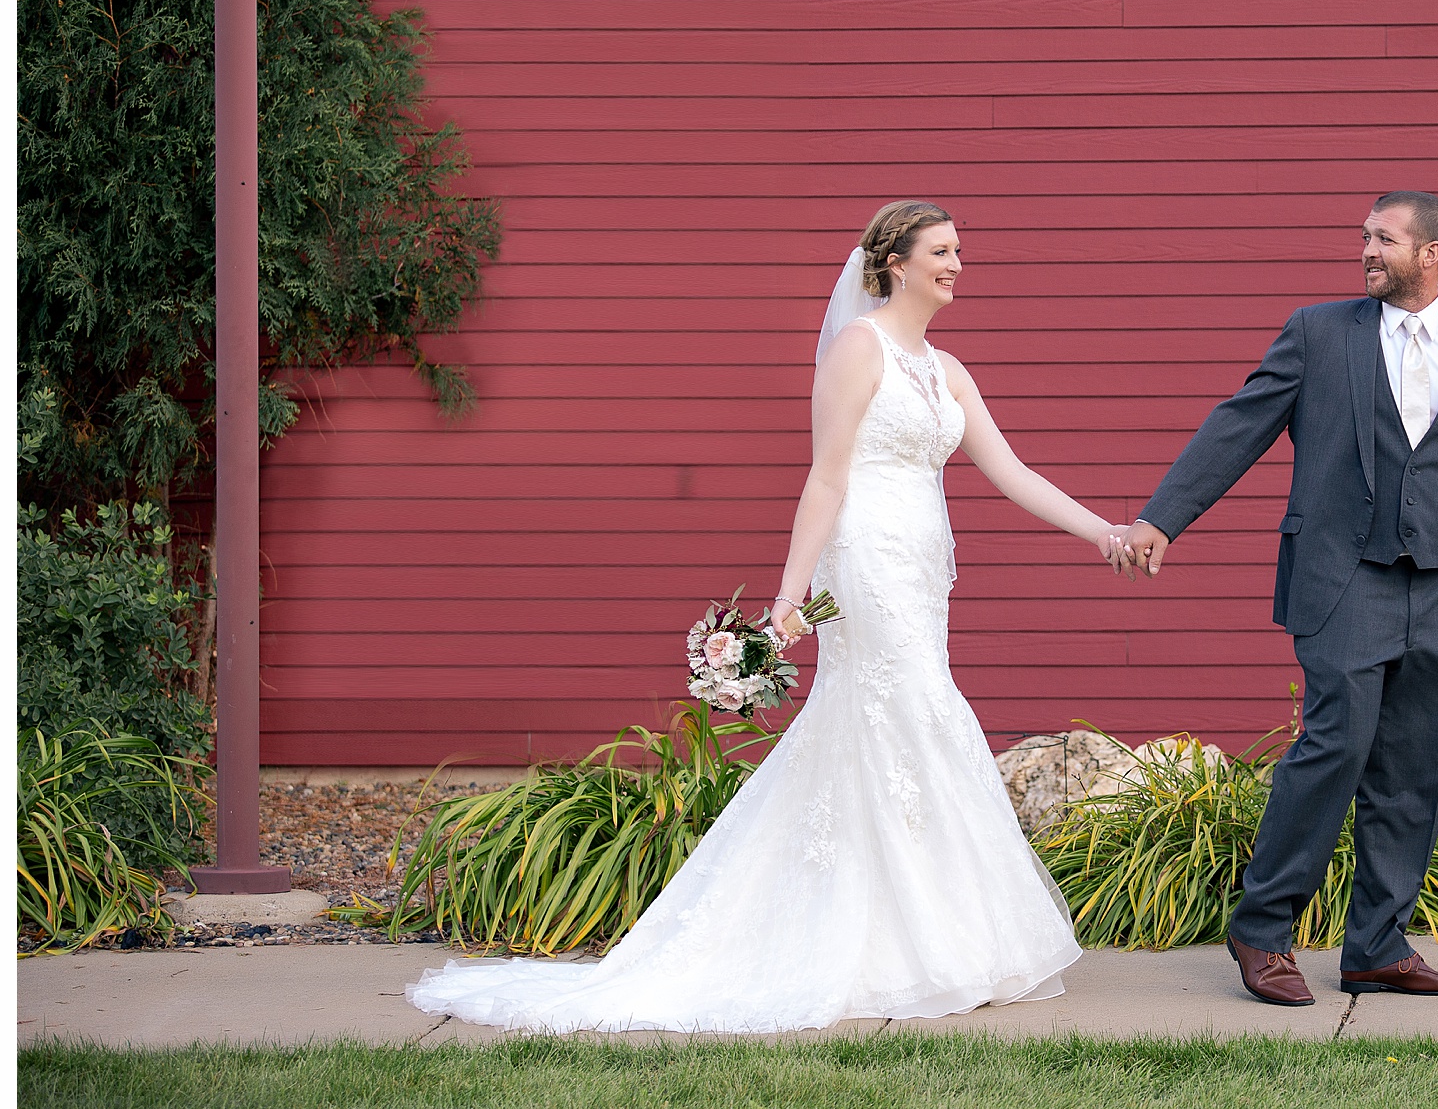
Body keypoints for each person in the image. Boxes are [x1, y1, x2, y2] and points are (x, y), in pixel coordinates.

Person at [408, 201, 1131, 1034]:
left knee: (894, 719)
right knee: (908, 711)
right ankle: (909, 941)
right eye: (941, 250)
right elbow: (827, 478)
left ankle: (912, 936)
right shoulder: (860, 350)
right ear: (895, 262)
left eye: (960, 249)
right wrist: (789, 599)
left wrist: (1103, 532)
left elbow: (1011, 471)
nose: (957, 263)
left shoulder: (948, 369)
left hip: (925, 566)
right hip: (863, 559)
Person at [1121, 192, 1438, 1004]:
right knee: (1334, 750)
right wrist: (1164, 518)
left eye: (1385, 238)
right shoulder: (1317, 332)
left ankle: (1377, 946)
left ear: (1432, 254)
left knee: (1414, 772)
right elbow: (1240, 424)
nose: (1367, 250)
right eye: (1365, 237)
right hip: (1345, 579)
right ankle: (1262, 930)